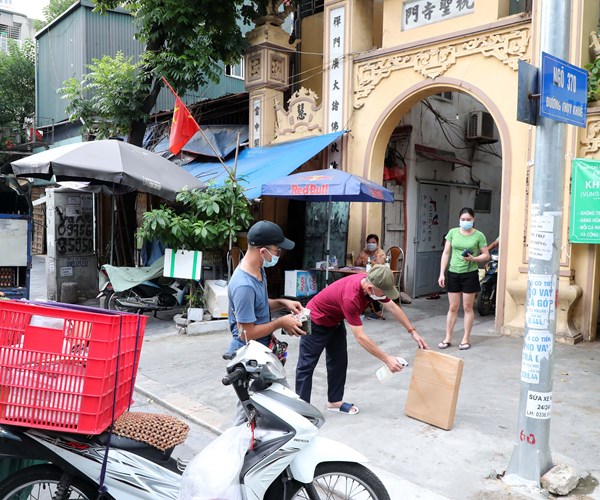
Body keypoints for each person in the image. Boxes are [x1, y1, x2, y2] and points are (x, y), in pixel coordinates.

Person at [295, 264, 428, 415]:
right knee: (306, 366)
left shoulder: (372, 286)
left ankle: (334, 402)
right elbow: (360, 337)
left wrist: (413, 332)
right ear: (371, 288)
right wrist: (387, 359)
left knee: (338, 361)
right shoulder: (351, 297)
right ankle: (301, 411)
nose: (385, 295)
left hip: (335, 320)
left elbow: (393, 307)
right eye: (383, 292)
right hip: (315, 320)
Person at [224, 221, 306, 359]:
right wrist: (280, 322)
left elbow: (258, 305)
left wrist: (283, 303)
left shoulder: (258, 269)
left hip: (261, 348)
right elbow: (247, 333)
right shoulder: (244, 286)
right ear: (263, 251)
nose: (280, 254)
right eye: (278, 250)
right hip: (248, 355)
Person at [437, 207, 489, 351]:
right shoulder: (452, 233)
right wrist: (442, 273)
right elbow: (446, 253)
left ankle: (465, 338)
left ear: (473, 219)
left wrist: (474, 258)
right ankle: (448, 337)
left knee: (467, 307)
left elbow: (486, 255)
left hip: (470, 273)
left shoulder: (479, 236)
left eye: (468, 220)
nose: (465, 222)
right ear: (459, 219)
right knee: (453, 307)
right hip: (453, 272)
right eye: (463, 219)